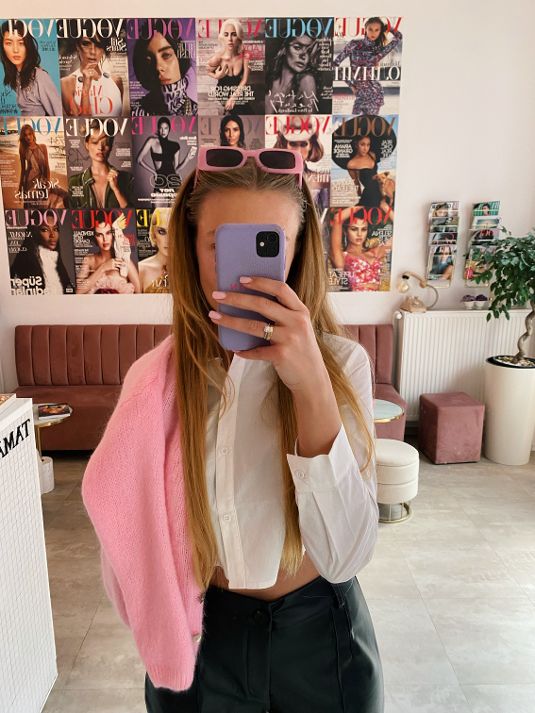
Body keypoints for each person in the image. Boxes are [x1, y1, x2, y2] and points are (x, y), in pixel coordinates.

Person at [81, 146, 383, 712]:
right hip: (202, 637)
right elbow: (125, 519)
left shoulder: (343, 367)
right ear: (191, 248)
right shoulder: (158, 386)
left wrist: (311, 386)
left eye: (269, 243)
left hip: (320, 640)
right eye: (221, 245)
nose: (245, 271)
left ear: (298, 250)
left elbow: (345, 558)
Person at [333, 17, 402, 116]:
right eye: (370, 29)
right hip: (360, 94)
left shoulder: (379, 50)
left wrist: (388, 27)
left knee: (369, 124)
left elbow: (399, 37)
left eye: (377, 30)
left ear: (380, 31)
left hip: (374, 93)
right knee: (355, 122)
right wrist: (351, 85)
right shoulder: (354, 44)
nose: (373, 32)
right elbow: (334, 65)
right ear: (365, 29)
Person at [0, 20, 62, 116]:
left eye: (21, 43)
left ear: (27, 45)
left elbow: (59, 114)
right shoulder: (17, 76)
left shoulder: (39, 76)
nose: (15, 50)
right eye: (9, 43)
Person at [132, 25, 197, 115]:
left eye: (166, 55)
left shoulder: (197, 112)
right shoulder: (134, 111)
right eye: (148, 60)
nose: (158, 67)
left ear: (180, 59)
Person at [69, 119, 133, 209]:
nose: (100, 147)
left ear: (111, 146)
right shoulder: (75, 182)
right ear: (86, 145)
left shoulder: (127, 179)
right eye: (95, 142)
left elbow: (132, 214)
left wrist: (116, 190)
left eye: (106, 143)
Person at [76, 212, 141, 294]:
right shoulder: (89, 260)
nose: (105, 239)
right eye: (99, 235)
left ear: (113, 233)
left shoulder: (123, 260)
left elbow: (139, 293)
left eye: (108, 233)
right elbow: (78, 291)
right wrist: (103, 268)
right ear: (94, 237)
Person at [273, 118, 328, 213]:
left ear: (311, 146)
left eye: (303, 144)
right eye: (293, 144)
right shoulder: (272, 177)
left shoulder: (321, 179)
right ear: (285, 145)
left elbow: (324, 213)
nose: (298, 151)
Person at [60, 34, 124, 117]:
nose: (93, 52)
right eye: (86, 44)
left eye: (99, 45)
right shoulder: (66, 84)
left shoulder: (116, 81)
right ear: (77, 46)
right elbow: (82, 123)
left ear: (103, 49)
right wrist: (86, 85)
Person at [329, 206, 391, 291]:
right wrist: (362, 204)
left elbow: (401, 231)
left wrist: (384, 206)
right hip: (355, 298)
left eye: (364, 229)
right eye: (354, 229)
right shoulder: (342, 257)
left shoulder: (375, 252)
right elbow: (337, 219)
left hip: (380, 298)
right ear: (345, 231)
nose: (359, 234)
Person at [10, 219, 74, 294]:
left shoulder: (57, 264)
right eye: (45, 230)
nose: (52, 235)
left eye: (55, 229)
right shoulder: (23, 266)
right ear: (35, 232)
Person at [136, 117, 190, 203]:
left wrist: (187, 158)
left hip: (174, 182)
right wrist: (154, 172)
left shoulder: (175, 145)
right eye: (161, 128)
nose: (163, 131)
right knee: (156, 211)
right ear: (158, 129)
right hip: (160, 181)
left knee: (173, 211)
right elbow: (139, 160)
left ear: (169, 129)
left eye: (166, 128)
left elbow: (176, 170)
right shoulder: (152, 141)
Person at [266, 35, 321, 113]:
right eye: (297, 48)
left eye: (309, 51)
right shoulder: (270, 81)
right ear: (284, 49)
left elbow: (311, 120)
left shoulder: (307, 81)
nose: (303, 56)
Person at [206, 19, 251, 114]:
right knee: (239, 110)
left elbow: (244, 80)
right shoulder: (219, 57)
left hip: (238, 90)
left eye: (234, 34)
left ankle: (227, 113)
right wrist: (216, 76)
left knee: (244, 109)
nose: (230, 39)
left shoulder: (245, 55)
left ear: (239, 37)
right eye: (226, 35)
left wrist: (233, 98)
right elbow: (207, 70)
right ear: (223, 37)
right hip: (223, 92)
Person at [138, 207, 171, 293]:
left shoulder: (191, 269)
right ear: (154, 234)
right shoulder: (141, 269)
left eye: (173, 232)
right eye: (162, 232)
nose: (168, 240)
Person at [18, 123, 50, 209]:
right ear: (23, 137)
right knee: (31, 207)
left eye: (30, 134)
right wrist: (20, 187)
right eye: (25, 135)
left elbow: (47, 167)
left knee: (43, 207)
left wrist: (47, 183)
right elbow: (23, 170)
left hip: (42, 181)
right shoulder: (23, 150)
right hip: (29, 182)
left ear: (33, 134)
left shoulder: (43, 147)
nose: (28, 137)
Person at [346, 134, 383, 209]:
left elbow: (376, 175)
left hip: (379, 190)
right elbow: (356, 183)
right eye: (362, 144)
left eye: (368, 145)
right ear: (356, 145)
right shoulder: (351, 164)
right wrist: (360, 198)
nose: (365, 148)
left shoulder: (372, 155)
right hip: (369, 193)